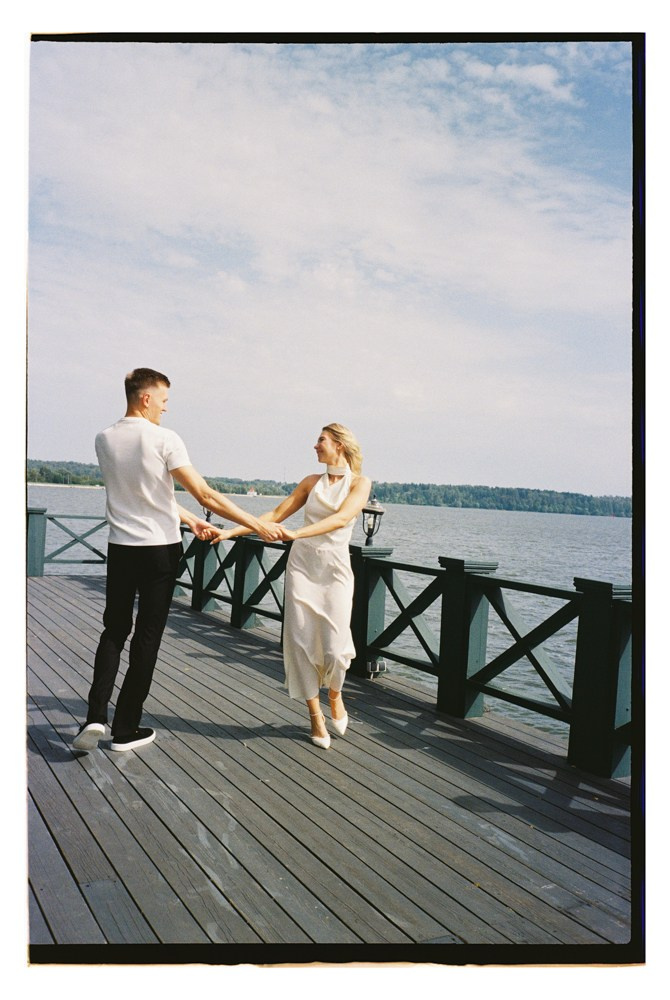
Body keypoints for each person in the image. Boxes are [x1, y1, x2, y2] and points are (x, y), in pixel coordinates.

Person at [72, 367, 283, 754]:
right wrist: (256, 524)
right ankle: (125, 729)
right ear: (145, 397)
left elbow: (145, 492)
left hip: (120, 549)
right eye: (164, 400)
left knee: (114, 631)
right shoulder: (164, 439)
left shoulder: (104, 438)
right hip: (158, 552)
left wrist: (188, 518)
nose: (166, 409)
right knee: (147, 638)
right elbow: (205, 493)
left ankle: (95, 718)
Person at [211, 423, 371, 749]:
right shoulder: (310, 482)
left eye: (321, 440)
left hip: (335, 570)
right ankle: (315, 716)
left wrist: (296, 534)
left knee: (336, 645)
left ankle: (336, 694)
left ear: (339, 445)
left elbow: (341, 519)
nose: (315, 445)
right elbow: (275, 514)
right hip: (302, 567)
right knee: (300, 642)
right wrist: (229, 532)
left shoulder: (360, 484)